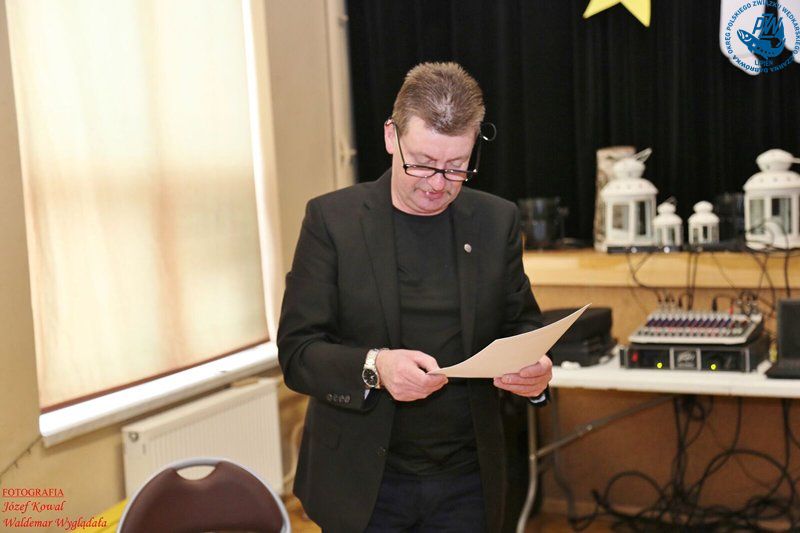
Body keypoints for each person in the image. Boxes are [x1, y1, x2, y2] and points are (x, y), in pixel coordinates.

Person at [277, 61, 552, 533]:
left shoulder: (495, 221)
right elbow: (298, 352)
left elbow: (522, 323)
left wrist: (536, 371)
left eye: (457, 167)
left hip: (467, 480)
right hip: (364, 482)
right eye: (422, 163)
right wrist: (376, 367)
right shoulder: (333, 222)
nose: (438, 183)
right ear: (391, 136)